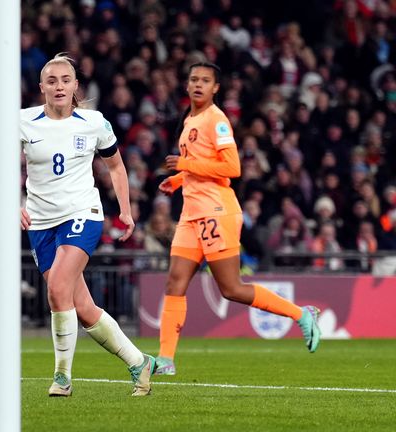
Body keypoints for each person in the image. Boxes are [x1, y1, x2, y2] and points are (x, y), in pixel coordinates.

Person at [154, 62, 321, 376]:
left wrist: (186, 164)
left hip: (217, 210)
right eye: (193, 80)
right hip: (192, 212)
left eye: (206, 80)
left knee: (231, 288)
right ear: (187, 85)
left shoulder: (217, 120)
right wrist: (177, 180)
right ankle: (166, 359)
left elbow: (232, 167)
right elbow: (202, 168)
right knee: (174, 282)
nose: (198, 85)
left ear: (216, 88)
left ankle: (302, 314)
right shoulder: (189, 119)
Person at [20, 53, 154, 397]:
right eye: (52, 81)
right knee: (81, 307)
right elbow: (2, 168)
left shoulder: (94, 122)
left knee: (56, 289)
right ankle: (139, 362)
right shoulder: (23, 122)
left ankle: (62, 377)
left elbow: (116, 168)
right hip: (40, 222)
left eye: (65, 80)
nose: (59, 86)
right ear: (42, 88)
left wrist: (124, 210)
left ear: (76, 85)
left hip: (83, 214)